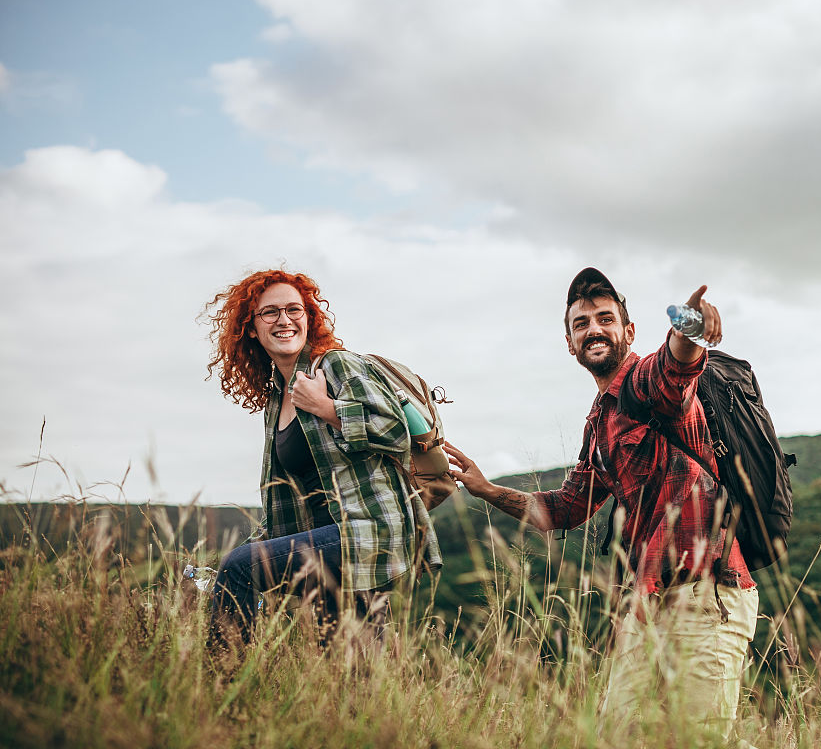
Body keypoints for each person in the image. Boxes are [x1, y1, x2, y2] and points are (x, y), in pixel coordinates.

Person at [445, 268, 758, 738]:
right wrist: (488, 490)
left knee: (699, 739)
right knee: (615, 734)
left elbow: (675, 369)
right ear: (570, 343)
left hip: (705, 593)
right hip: (646, 602)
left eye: (605, 319)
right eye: (581, 323)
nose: (593, 329)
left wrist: (688, 330)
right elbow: (565, 508)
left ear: (628, 332)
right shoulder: (600, 423)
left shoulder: (646, 384)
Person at [202, 269, 440, 648]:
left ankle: (221, 680)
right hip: (325, 539)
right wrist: (259, 541)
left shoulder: (336, 365)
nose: (284, 320)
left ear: (308, 317)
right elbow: (289, 497)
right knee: (349, 665)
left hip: (366, 532)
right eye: (270, 313)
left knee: (240, 568)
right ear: (250, 328)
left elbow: (397, 432)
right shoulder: (277, 399)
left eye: (294, 309)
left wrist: (328, 408)